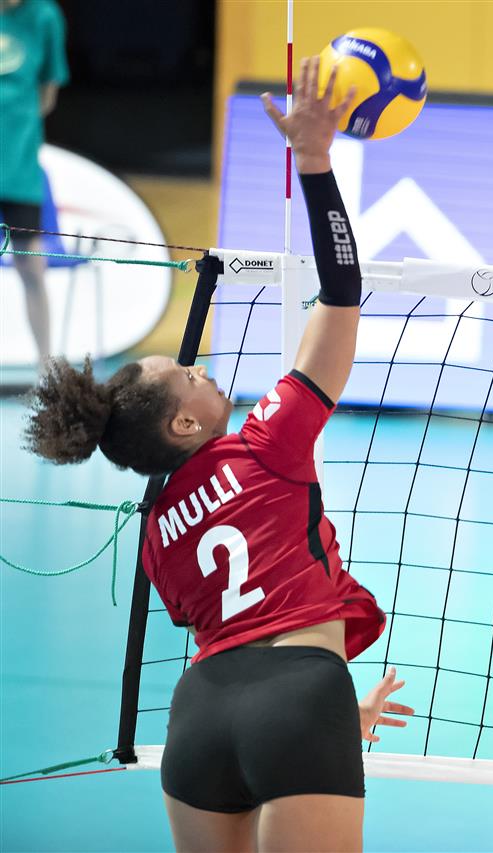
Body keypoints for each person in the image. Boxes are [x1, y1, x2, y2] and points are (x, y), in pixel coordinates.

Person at [23, 57, 411, 852]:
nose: (200, 368)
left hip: (198, 718)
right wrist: (314, 162)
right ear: (184, 424)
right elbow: (342, 292)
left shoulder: (156, 528)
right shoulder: (268, 439)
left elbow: (237, 632)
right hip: (301, 699)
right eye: (187, 376)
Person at [0, 0, 67, 365]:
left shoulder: (44, 16)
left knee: (31, 268)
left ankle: (45, 367)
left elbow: (48, 94)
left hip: (20, 170)